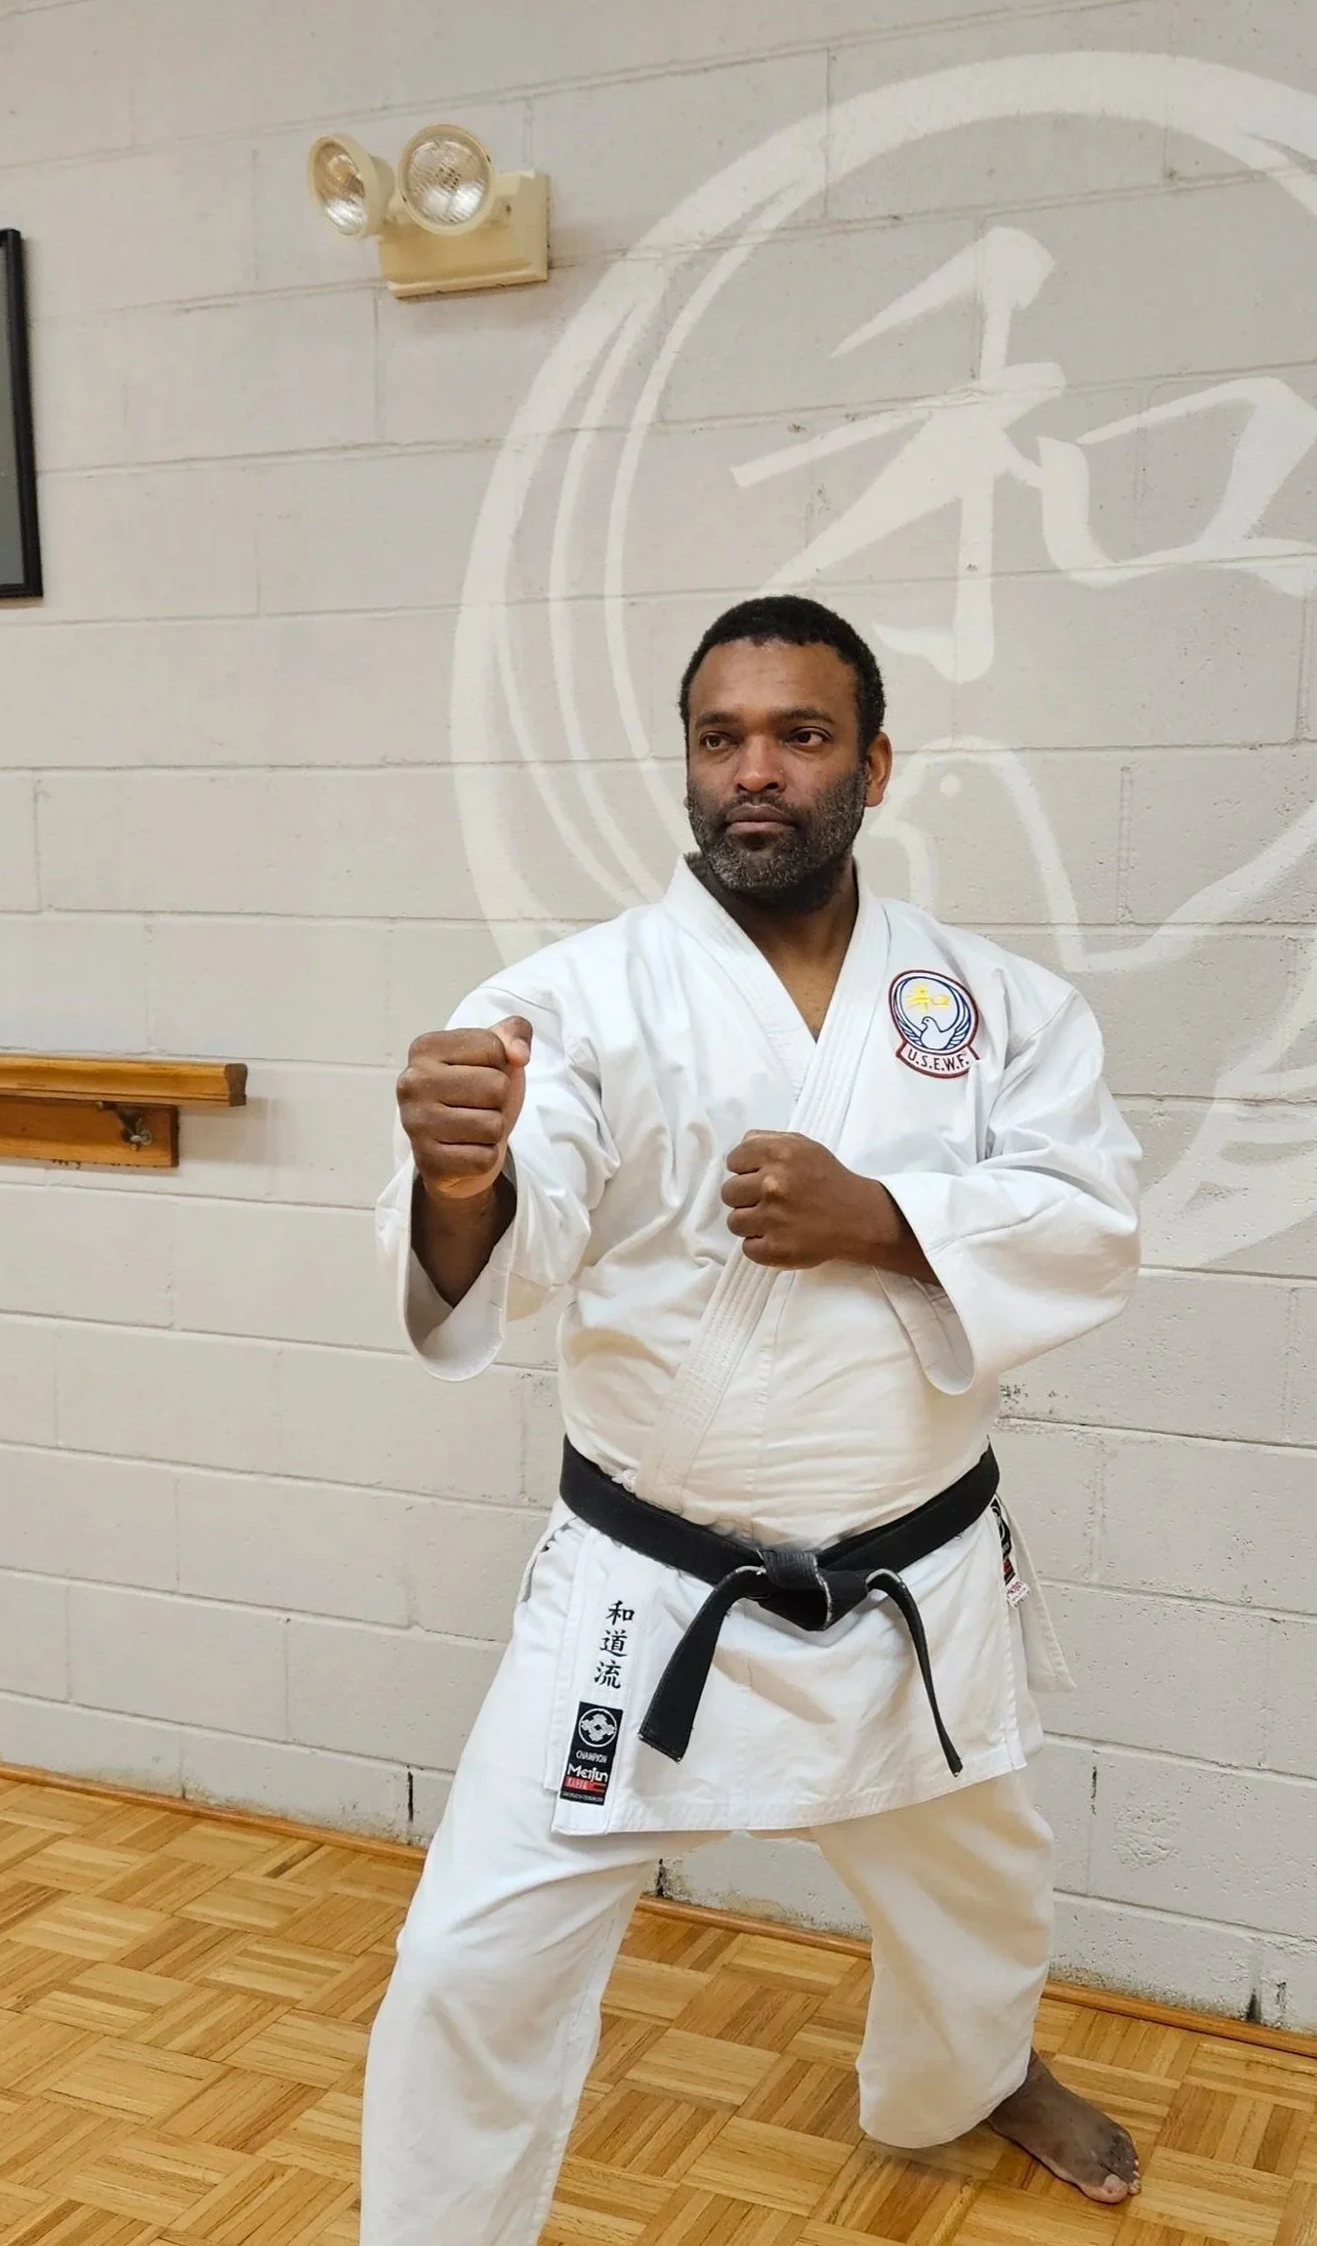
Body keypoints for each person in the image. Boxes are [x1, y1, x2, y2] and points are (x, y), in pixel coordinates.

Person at [366, 594, 1142, 2244]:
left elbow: (1089, 1221)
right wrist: (460, 1172)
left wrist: (879, 1212)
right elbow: (524, 1216)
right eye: (720, 737)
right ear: (687, 765)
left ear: (870, 760)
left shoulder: (993, 1006)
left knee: (982, 1895)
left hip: (904, 1584)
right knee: (460, 1958)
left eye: (796, 734)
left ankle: (965, 2075)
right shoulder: (573, 998)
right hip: (645, 1593)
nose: (754, 772)